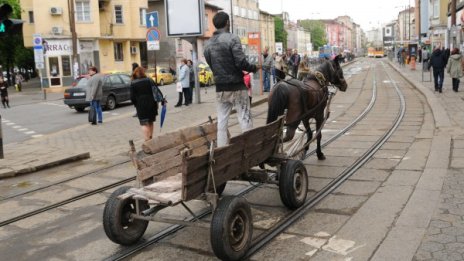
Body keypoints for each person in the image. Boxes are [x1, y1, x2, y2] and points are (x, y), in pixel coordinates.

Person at [204, 11, 260, 147]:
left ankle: (222, 150)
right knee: (244, 118)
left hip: (220, 89)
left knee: (222, 122)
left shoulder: (208, 44)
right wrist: (254, 68)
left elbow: (211, 64)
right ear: (227, 23)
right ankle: (249, 149)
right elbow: (241, 63)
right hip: (237, 87)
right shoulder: (233, 38)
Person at [130, 67, 160, 141]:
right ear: (143, 72)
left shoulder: (133, 83)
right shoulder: (149, 80)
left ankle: (147, 140)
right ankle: (150, 137)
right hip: (151, 103)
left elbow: (132, 97)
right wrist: (159, 101)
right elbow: (156, 91)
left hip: (140, 105)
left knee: (144, 123)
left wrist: (136, 103)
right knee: (150, 121)